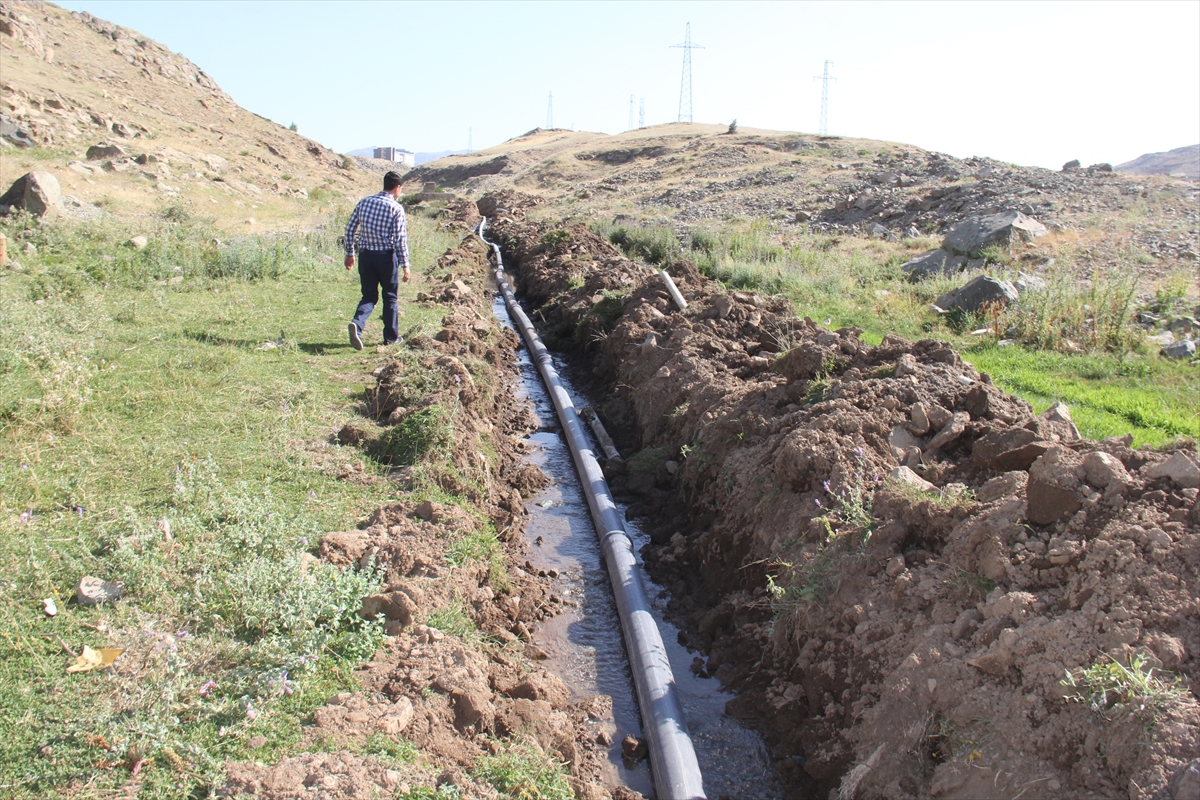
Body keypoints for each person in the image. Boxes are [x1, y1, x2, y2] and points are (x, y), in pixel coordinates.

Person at [343, 170, 410, 349]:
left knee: (369, 295)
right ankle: (391, 338)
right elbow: (400, 240)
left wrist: (350, 253)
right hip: (386, 258)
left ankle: (357, 324)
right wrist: (405, 265)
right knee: (390, 297)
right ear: (397, 187)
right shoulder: (396, 208)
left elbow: (350, 230)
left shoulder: (364, 202)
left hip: (366, 257)